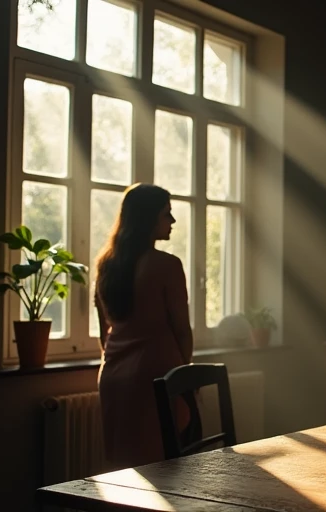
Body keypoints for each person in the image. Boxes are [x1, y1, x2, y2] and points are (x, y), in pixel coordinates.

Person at [94, 183, 193, 468]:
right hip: (157, 376)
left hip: (113, 376)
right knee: (162, 472)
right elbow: (182, 330)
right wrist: (185, 377)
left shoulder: (106, 264)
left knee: (124, 473)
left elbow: (104, 332)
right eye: (167, 214)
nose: (172, 221)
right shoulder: (167, 265)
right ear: (148, 218)